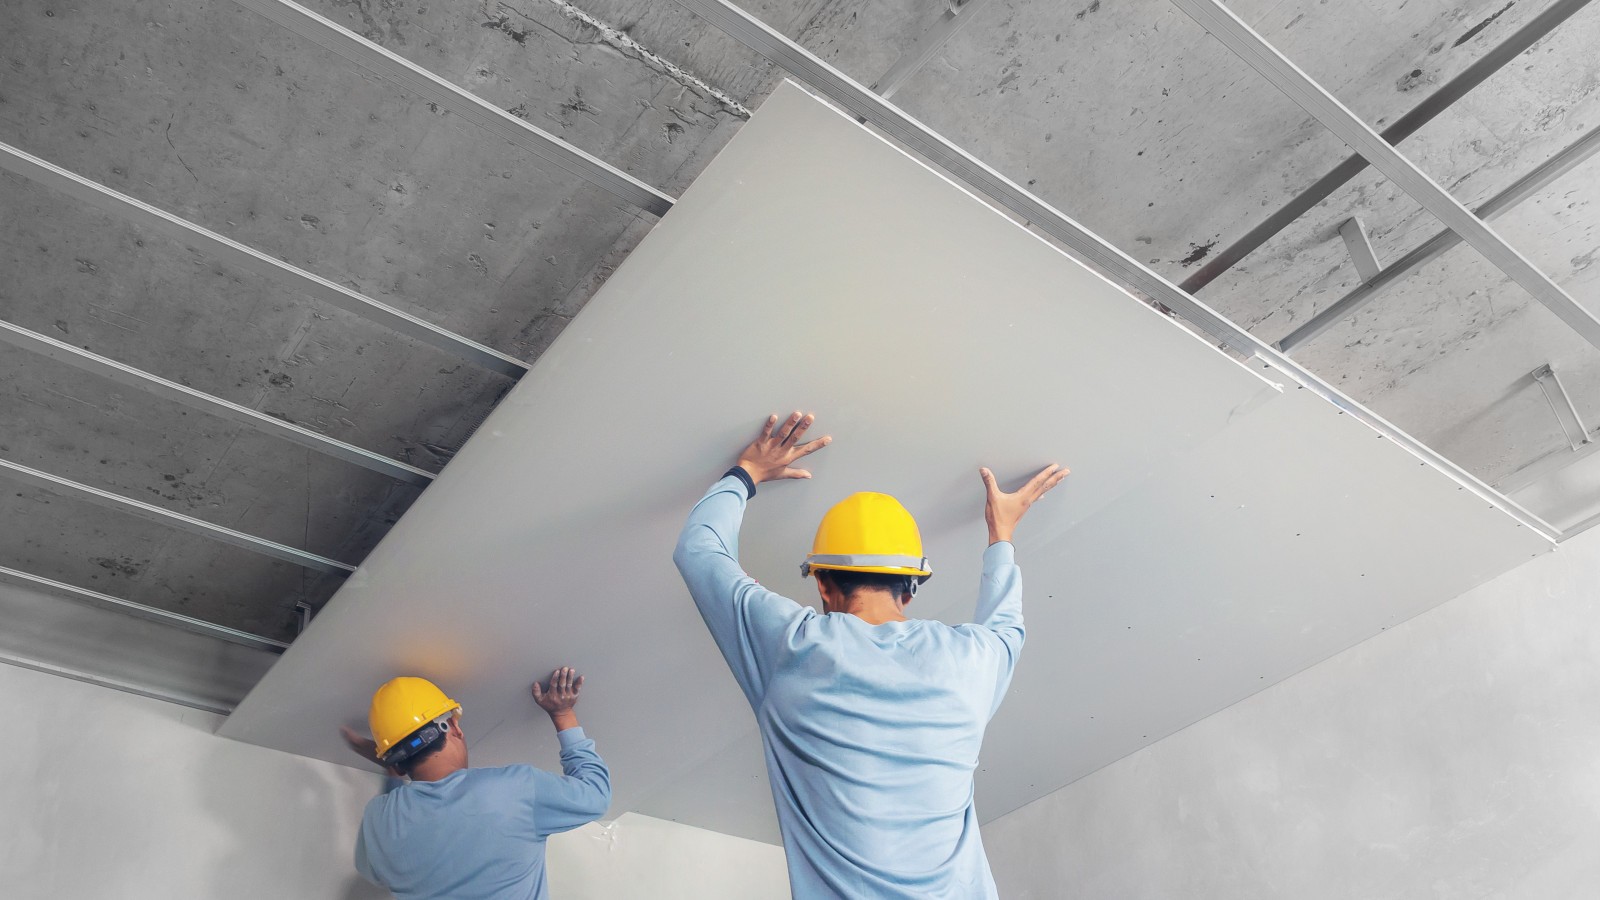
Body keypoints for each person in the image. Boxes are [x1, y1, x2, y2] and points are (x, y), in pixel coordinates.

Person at [674, 411, 1068, 898]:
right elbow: (1007, 625)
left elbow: (699, 552)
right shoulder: (972, 660)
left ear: (821, 580)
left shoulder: (791, 646)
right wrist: (1000, 534)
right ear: (912, 585)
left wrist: (746, 474)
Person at [338, 667, 610, 900]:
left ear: (395, 763)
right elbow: (596, 795)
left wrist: (392, 772)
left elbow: (373, 871)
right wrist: (563, 714)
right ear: (455, 728)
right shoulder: (513, 789)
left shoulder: (378, 818)